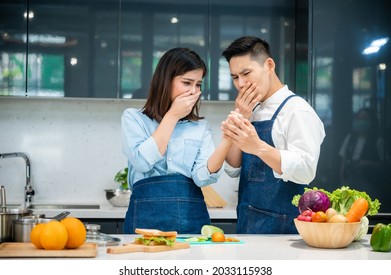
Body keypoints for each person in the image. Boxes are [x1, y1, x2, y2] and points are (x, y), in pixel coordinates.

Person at [220, 36, 326, 234]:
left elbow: (306, 170)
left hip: (283, 231)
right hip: (247, 225)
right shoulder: (252, 110)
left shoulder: (297, 110)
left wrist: (258, 146)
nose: (241, 84)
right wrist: (241, 116)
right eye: (235, 77)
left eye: (246, 73)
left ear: (269, 65)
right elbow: (234, 167)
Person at [121, 47, 231, 234]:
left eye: (198, 84)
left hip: (192, 219)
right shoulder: (134, 118)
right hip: (145, 220)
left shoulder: (200, 127)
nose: (194, 91)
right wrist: (172, 116)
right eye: (187, 83)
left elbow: (202, 178)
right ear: (165, 81)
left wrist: (227, 140)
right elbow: (142, 162)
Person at [339, 107, 385, 188]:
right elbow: (343, 160)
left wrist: (367, 164)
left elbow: (384, 165)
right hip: (350, 178)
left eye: (365, 119)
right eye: (359, 118)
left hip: (370, 181)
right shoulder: (350, 138)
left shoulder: (378, 141)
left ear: (371, 121)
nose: (361, 121)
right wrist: (342, 180)